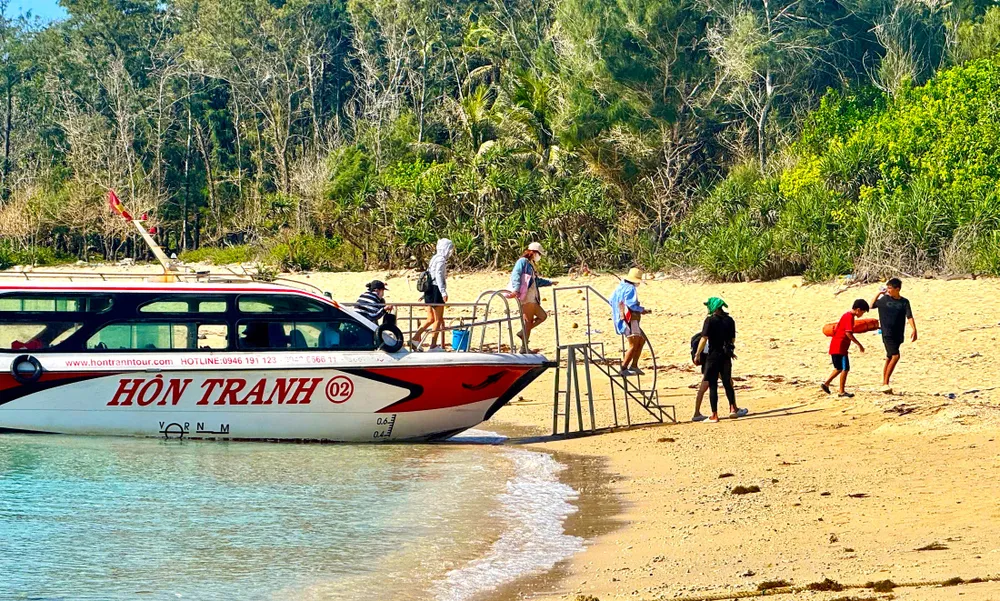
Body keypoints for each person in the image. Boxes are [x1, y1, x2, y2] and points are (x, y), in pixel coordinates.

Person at [694, 297, 748, 423]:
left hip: (713, 356)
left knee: (713, 385)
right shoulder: (729, 320)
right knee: (727, 383)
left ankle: (714, 415)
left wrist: (697, 354)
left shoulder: (710, 320)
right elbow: (732, 339)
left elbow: (704, 338)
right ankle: (733, 409)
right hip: (725, 356)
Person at [506, 242, 557, 349]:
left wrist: (550, 282)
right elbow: (516, 275)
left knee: (542, 316)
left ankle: (523, 333)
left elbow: (536, 281)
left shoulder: (529, 264)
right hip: (526, 297)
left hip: (532, 297)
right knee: (528, 321)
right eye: (539, 254)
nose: (539, 257)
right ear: (533, 252)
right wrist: (516, 290)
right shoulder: (522, 262)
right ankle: (524, 347)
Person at [871, 278, 917, 394]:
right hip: (887, 333)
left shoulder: (904, 302)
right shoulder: (884, 300)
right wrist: (879, 293)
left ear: (897, 289)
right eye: (887, 288)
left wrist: (914, 329)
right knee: (896, 356)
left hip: (898, 333)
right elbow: (871, 305)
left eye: (890, 288)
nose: (888, 290)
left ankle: (884, 383)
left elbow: (909, 316)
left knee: (889, 357)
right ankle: (886, 383)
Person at [410, 238, 454, 351]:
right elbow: (438, 275)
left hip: (429, 290)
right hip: (436, 290)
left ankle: (415, 338)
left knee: (430, 318)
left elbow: (430, 274)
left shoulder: (434, 258)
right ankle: (433, 345)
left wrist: (425, 294)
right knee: (438, 319)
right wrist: (443, 291)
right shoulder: (441, 260)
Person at [821, 299, 869, 398]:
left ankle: (826, 384)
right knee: (845, 368)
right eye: (862, 312)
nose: (862, 315)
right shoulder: (849, 317)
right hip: (840, 346)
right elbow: (848, 333)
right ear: (858, 310)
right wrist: (859, 344)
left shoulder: (846, 315)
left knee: (839, 368)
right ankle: (841, 391)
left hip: (836, 345)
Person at [610, 268, 650, 376]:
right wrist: (642, 310)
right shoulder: (630, 288)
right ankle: (623, 368)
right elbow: (631, 304)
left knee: (641, 340)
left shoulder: (619, 287)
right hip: (629, 319)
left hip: (620, 318)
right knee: (633, 343)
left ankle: (634, 365)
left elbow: (611, 300)